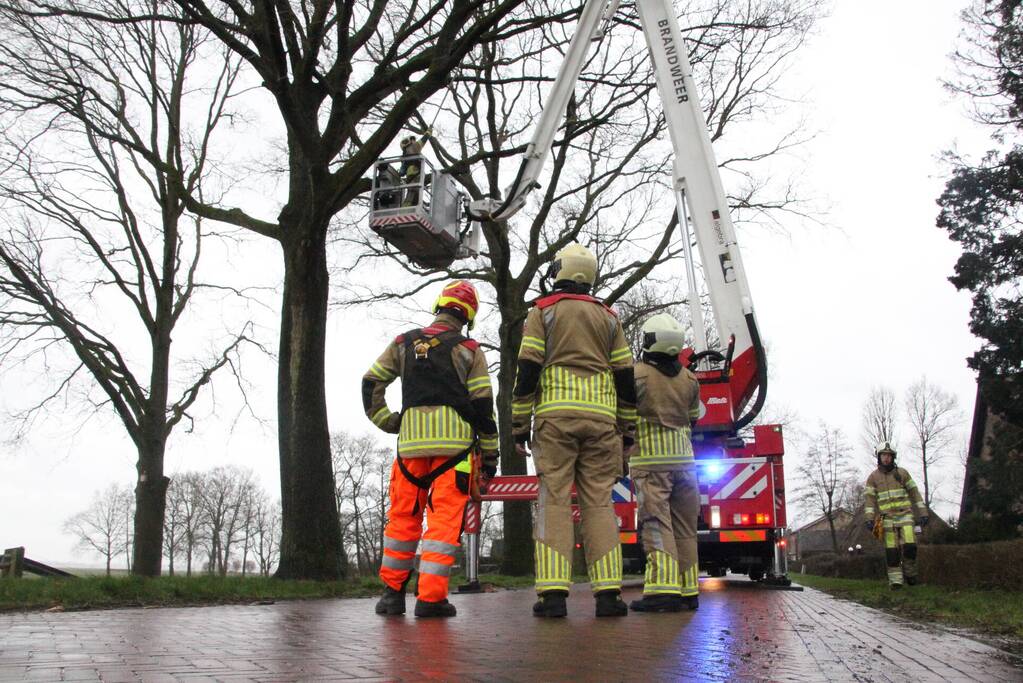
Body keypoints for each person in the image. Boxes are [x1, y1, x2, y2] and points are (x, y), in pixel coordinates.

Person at [511, 242, 638, 618]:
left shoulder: (543, 313)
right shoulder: (610, 318)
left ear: (559, 271)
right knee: (599, 503)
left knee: (554, 500)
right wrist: (626, 429)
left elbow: (528, 369)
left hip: (555, 420)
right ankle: (609, 595)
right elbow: (626, 377)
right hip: (602, 421)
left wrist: (519, 424)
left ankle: (552, 597)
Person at [363, 280, 499, 617]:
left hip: (409, 450)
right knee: (443, 524)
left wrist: (388, 420)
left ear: (439, 305)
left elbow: (371, 381)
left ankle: (391, 596)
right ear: (468, 316)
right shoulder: (470, 348)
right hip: (455, 454)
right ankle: (431, 599)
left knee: (402, 521)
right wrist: (490, 458)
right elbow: (483, 407)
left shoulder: (403, 343)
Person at [627, 314, 702, 613]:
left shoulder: (636, 375)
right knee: (685, 528)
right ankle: (688, 591)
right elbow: (694, 418)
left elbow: (624, 415)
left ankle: (663, 590)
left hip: (651, 464)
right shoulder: (689, 379)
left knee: (657, 525)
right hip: (686, 465)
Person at [864, 441, 928, 589]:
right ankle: (896, 582)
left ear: (893, 457)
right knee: (892, 552)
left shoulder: (902, 473)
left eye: (889, 455)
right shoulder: (873, 478)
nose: (886, 458)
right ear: (879, 457)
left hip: (905, 515)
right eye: (883, 455)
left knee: (910, 546)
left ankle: (911, 575)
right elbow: (869, 500)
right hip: (887, 519)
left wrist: (923, 512)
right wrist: (869, 519)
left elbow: (915, 493)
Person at [399, 129, 431, 207]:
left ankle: (414, 205)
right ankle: (406, 208)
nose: (414, 141)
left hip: (411, 175)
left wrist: (400, 173)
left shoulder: (404, 155)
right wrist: (429, 132)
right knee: (413, 191)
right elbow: (423, 140)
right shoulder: (414, 147)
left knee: (415, 191)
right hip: (416, 174)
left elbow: (402, 170)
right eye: (413, 140)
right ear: (409, 142)